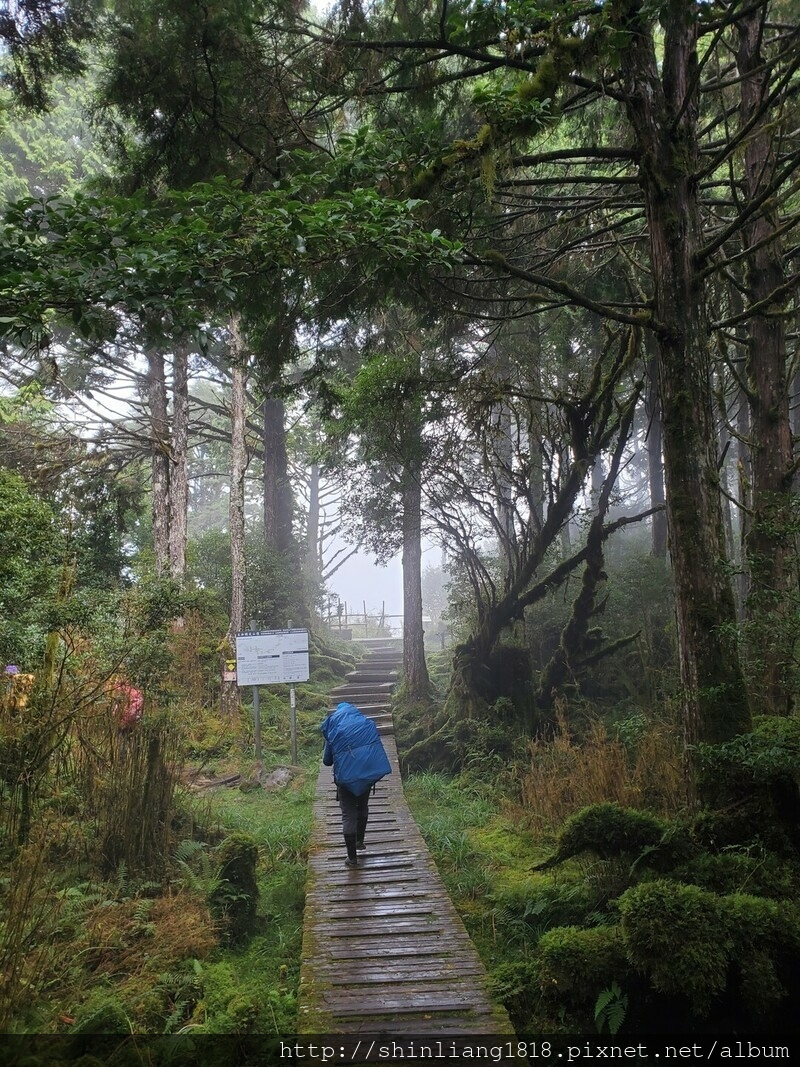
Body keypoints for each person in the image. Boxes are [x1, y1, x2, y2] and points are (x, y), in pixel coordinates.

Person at [321, 701, 391, 869]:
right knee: (363, 806)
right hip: (366, 775)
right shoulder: (366, 725)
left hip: (345, 781)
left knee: (348, 814)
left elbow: (327, 761)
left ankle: (352, 858)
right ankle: (360, 841)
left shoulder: (334, 731)